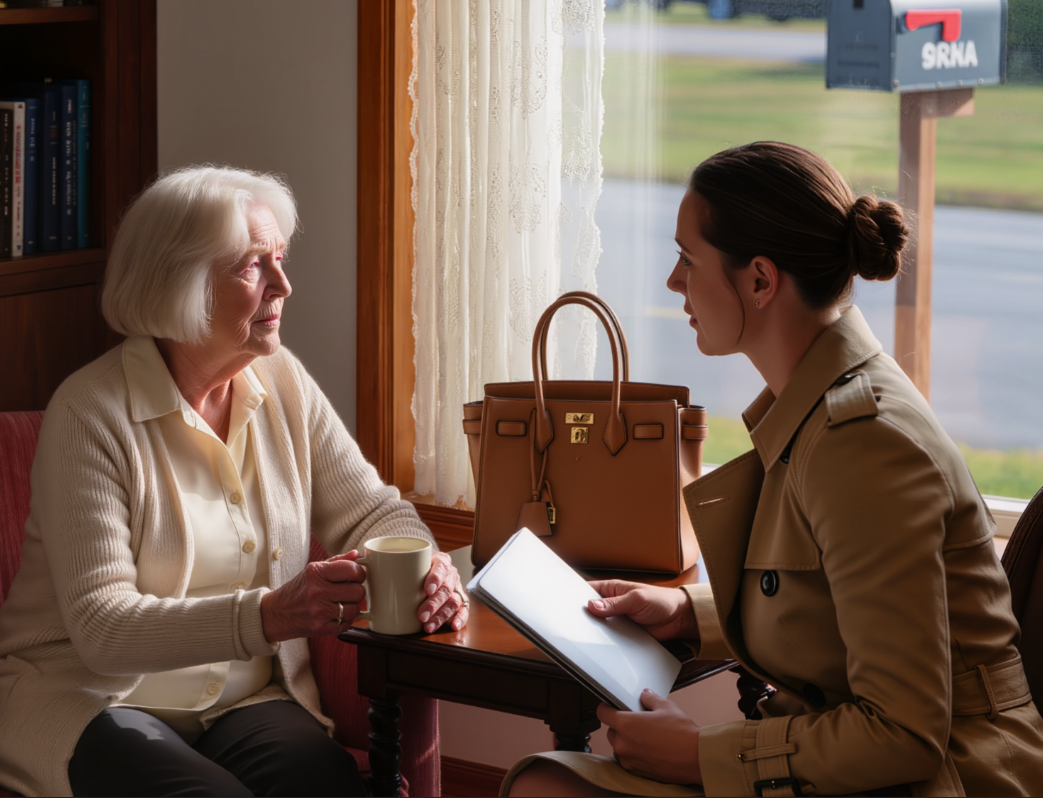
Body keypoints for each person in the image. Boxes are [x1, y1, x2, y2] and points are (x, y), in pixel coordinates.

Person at [502, 142, 1043, 797]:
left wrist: (701, 754)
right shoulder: (818, 410)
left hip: (955, 775)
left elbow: (904, 734)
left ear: (759, 280)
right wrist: (685, 613)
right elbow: (833, 605)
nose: (674, 282)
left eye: (686, 258)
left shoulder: (864, 444)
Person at [0, 165, 469, 797]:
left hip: (243, 704)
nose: (285, 284)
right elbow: (104, 631)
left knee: (335, 787)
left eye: (281, 259)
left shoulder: (281, 383)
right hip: (93, 701)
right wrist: (273, 613)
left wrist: (429, 561)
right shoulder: (89, 414)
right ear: (180, 285)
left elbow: (372, 510)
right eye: (254, 266)